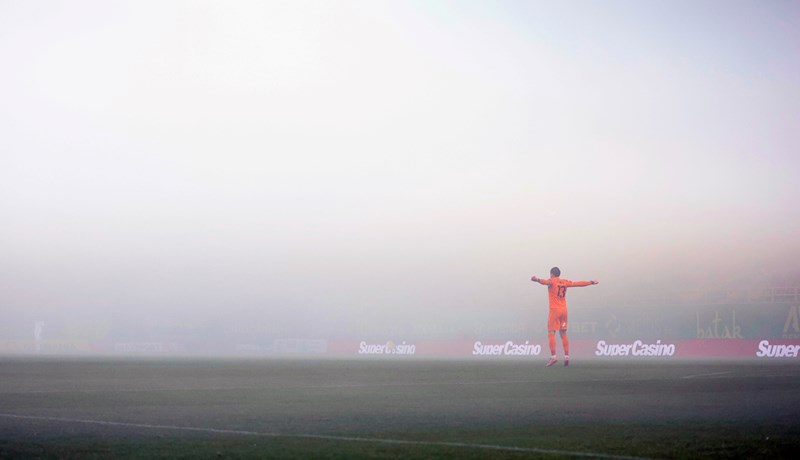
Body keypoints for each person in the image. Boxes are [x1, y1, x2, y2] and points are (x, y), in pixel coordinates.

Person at [530, 267, 598, 367]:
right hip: (564, 311)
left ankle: (553, 357)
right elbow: (578, 283)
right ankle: (566, 356)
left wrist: (537, 280)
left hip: (554, 310)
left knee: (551, 332)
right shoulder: (564, 282)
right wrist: (591, 282)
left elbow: (545, 282)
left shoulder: (552, 281)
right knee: (563, 333)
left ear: (552, 274)